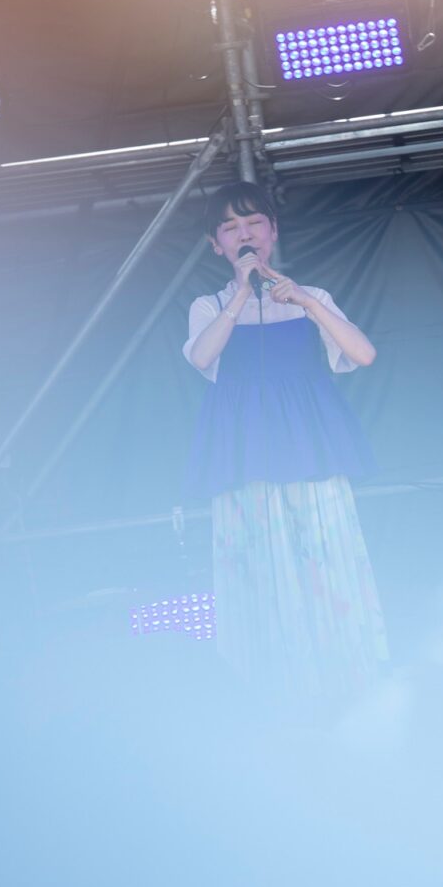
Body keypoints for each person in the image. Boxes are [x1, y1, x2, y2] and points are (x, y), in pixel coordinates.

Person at [183, 180, 388, 687]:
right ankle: (263, 679)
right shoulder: (208, 305)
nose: (244, 234)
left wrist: (305, 302)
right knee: (254, 560)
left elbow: (363, 355)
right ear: (216, 245)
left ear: (273, 231)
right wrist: (240, 294)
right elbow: (202, 357)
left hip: (308, 444)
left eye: (254, 222)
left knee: (324, 552)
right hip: (244, 449)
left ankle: (345, 671)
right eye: (230, 228)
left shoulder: (310, 297)